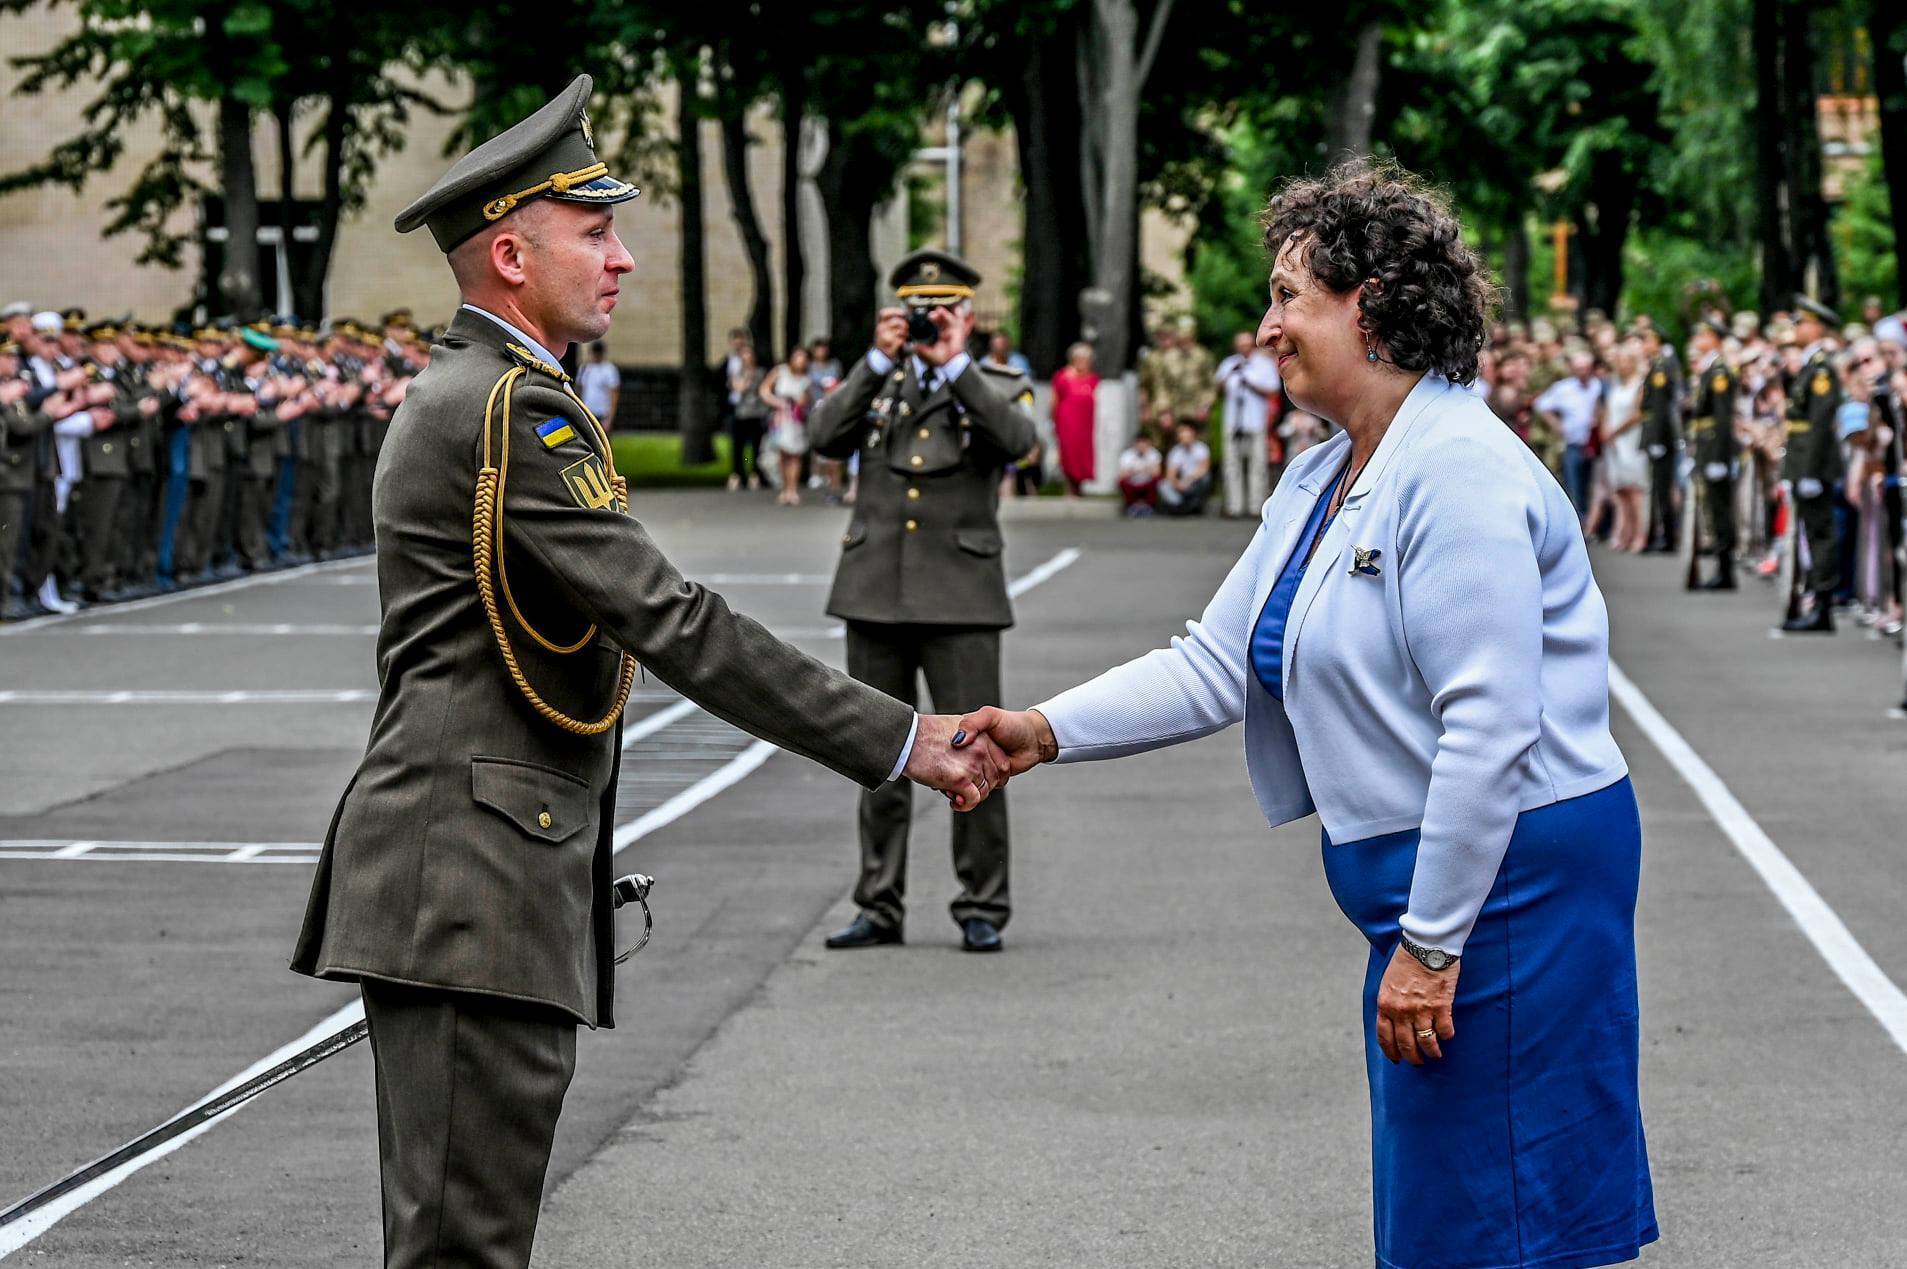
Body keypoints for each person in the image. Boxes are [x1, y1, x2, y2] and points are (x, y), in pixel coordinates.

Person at [288, 77, 1008, 1269]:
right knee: (463, 1248)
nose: (620, 258)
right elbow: (673, 620)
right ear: (511, 255)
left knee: (461, 1239)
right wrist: (902, 739)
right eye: (594, 232)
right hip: (468, 884)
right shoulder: (515, 409)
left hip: (474, 876)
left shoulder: (508, 395)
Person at [955, 163, 1656, 1269]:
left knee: (1493, 1225)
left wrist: (1429, 946)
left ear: (1367, 305)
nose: (1267, 325)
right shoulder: (1326, 472)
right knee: (1449, 1215)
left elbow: (1486, 727)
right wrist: (1038, 731)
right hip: (1448, 893)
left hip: (1505, 892)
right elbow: (1211, 662)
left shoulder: (1458, 469)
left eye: (1289, 296)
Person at [807, 248, 1039, 956]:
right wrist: (874, 362)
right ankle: (878, 903)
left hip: (961, 597)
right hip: (875, 590)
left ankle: (981, 902)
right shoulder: (875, 383)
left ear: (966, 314)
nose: (927, 321)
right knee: (876, 755)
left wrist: (954, 365)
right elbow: (822, 438)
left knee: (977, 754)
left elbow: (1021, 443)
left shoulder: (992, 381)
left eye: (941, 310)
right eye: (916, 309)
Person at [1781, 295, 1845, 633]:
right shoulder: (1810, 365)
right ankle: (1816, 601)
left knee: (1821, 533)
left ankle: (1822, 607)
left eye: (1801, 322)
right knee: (1811, 532)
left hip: (1814, 464)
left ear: (1817, 326)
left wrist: (1809, 471)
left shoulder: (1821, 367)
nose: (1797, 328)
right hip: (1804, 459)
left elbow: (1820, 422)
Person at [1686, 318, 1740, 589]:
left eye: (1702, 334)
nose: (1698, 339)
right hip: (1707, 448)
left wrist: (1719, 457)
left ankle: (1726, 570)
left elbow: (1721, 418)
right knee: (1713, 508)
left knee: (1720, 509)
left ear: (1714, 338)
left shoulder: (1719, 373)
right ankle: (1722, 567)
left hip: (1715, 449)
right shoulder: (1710, 370)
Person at [1216, 329, 1280, 517]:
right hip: (1233, 421)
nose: (1243, 348)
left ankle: (1255, 506)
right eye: (1240, 344)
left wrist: (1249, 380)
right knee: (1231, 464)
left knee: (1257, 464)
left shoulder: (1263, 365)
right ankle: (1234, 506)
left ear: (1251, 344)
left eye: (1246, 344)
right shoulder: (1229, 363)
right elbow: (1218, 388)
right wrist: (1230, 375)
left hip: (1255, 420)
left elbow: (1273, 390)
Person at [1531, 350, 1602, 519]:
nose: (1583, 371)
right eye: (1579, 368)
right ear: (1572, 369)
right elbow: (1541, 404)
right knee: (1574, 486)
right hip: (1574, 444)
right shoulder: (1564, 388)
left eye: (1586, 367)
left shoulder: (1598, 385)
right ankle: (1580, 521)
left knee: (1595, 486)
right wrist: (1557, 425)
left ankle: (1594, 522)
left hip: (1596, 444)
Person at [1636, 325, 1683, 553]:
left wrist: (1658, 439)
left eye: (1647, 340)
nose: (1644, 346)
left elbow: (1662, 408)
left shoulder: (1662, 367)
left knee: (1663, 489)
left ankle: (1668, 536)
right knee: (1657, 488)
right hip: (1656, 433)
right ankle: (1661, 534)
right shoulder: (1657, 365)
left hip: (1661, 436)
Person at [1601, 341, 1649, 551]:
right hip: (1614, 441)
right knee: (1621, 491)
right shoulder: (1615, 384)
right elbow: (1608, 410)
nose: (1621, 364)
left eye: (1624, 361)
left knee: (1635, 490)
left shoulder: (1639, 384)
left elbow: (1637, 414)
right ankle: (1626, 533)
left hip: (1631, 439)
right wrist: (1605, 429)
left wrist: (1616, 430)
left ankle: (1640, 534)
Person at [759, 344, 812, 506]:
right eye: (798, 357)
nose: (800, 361)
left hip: (795, 420)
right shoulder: (781, 371)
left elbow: (805, 401)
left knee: (795, 454)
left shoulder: (806, 380)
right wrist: (776, 402)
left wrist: (797, 401)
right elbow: (764, 389)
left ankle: (793, 489)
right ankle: (784, 488)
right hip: (780, 419)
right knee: (782, 453)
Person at [1051, 340, 1098, 496]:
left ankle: (1080, 487)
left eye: (1087, 359)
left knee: (1083, 455)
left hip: (1086, 425)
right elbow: (1054, 401)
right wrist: (1053, 421)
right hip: (1067, 424)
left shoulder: (1093, 379)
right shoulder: (1063, 377)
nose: (1083, 363)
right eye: (1080, 359)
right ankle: (1069, 488)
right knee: (1068, 454)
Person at [726, 341, 769, 492]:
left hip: (756, 414)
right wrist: (745, 376)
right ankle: (739, 473)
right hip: (741, 415)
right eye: (743, 354)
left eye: (749, 354)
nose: (746, 357)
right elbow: (740, 388)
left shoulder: (760, 372)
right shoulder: (737, 374)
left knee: (755, 447)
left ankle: (755, 473)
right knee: (740, 448)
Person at [1158, 419, 1212, 516]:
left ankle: (1195, 501)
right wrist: (1178, 484)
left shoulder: (1201, 448)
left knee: (1206, 477)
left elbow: (1204, 469)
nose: (1185, 437)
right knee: (1163, 485)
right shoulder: (1175, 452)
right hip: (1181, 484)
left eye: (1187, 434)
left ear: (1193, 435)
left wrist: (1189, 480)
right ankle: (1179, 504)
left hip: (1195, 482)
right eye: (1182, 434)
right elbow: (1170, 475)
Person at [1116, 429, 1163, 515]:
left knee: (1157, 481)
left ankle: (1149, 506)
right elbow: (1122, 475)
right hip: (1133, 484)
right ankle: (1132, 506)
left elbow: (1156, 473)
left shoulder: (1154, 454)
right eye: (1139, 442)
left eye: (1144, 442)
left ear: (1149, 443)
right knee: (1122, 483)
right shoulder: (1127, 455)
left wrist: (1135, 470)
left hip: (1147, 484)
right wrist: (1144, 469)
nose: (1141, 445)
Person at [575, 340, 620, 425]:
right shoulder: (584, 368)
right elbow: (579, 390)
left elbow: (614, 394)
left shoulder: (609, 369)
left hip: (602, 413)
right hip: (587, 412)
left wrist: (610, 418)